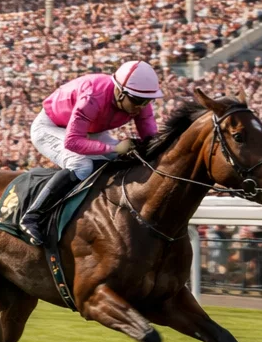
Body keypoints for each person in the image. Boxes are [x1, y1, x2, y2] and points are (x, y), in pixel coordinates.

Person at [18, 60, 163, 247]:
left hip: (91, 130)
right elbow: (73, 142)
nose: (141, 107)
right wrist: (113, 148)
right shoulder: (93, 96)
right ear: (120, 92)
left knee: (129, 156)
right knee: (82, 165)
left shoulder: (139, 99)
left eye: (147, 102)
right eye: (136, 101)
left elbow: (150, 139)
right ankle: (32, 216)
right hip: (51, 127)